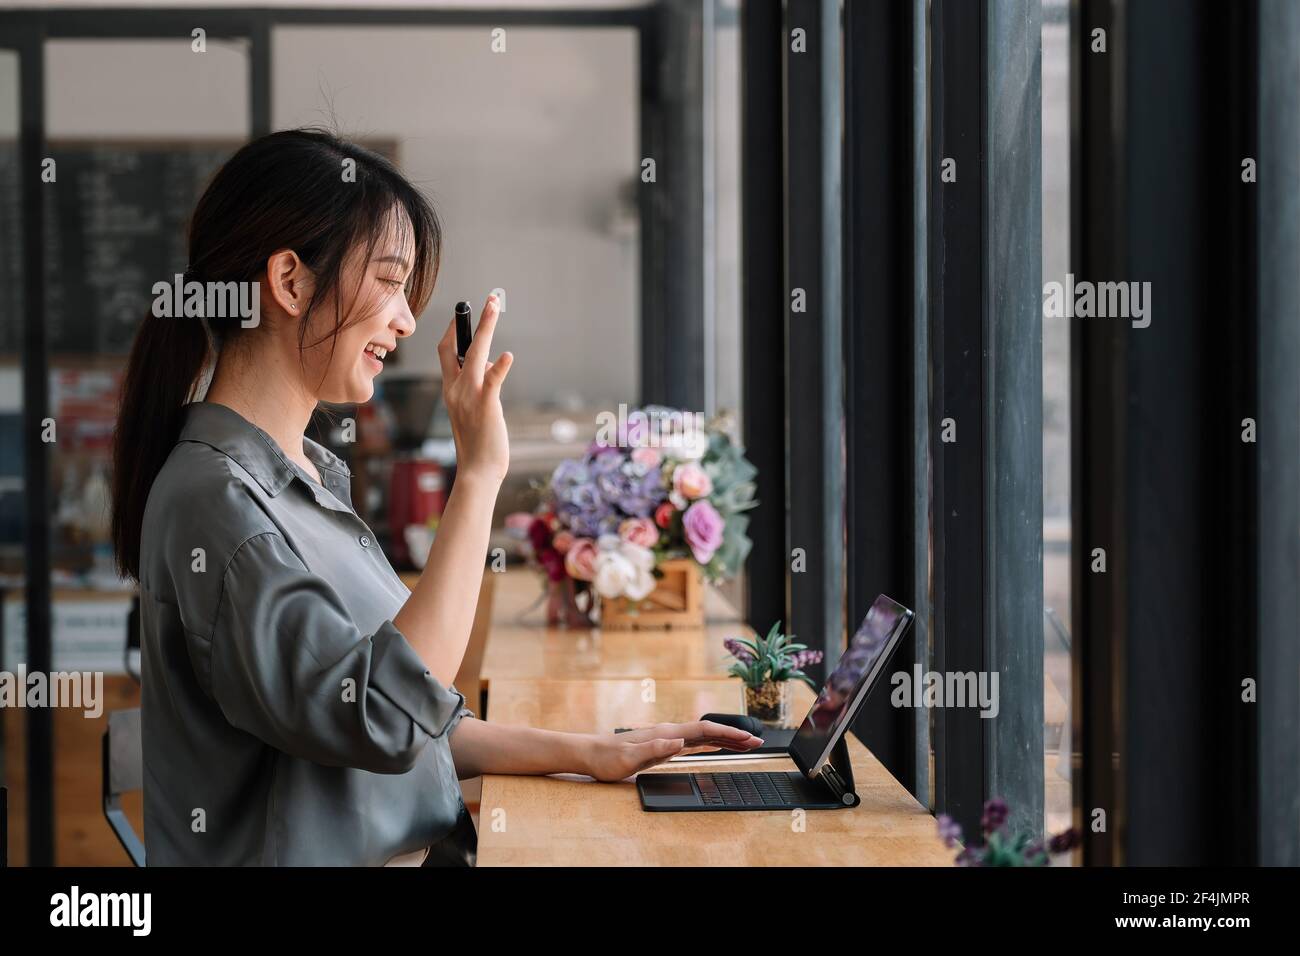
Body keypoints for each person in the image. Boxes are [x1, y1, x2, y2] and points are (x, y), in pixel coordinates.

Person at [109, 129, 760, 866]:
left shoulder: (305, 479)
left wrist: (590, 750)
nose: (407, 320)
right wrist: (478, 475)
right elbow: (383, 716)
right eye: (388, 282)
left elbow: (412, 712)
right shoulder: (219, 503)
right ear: (290, 283)